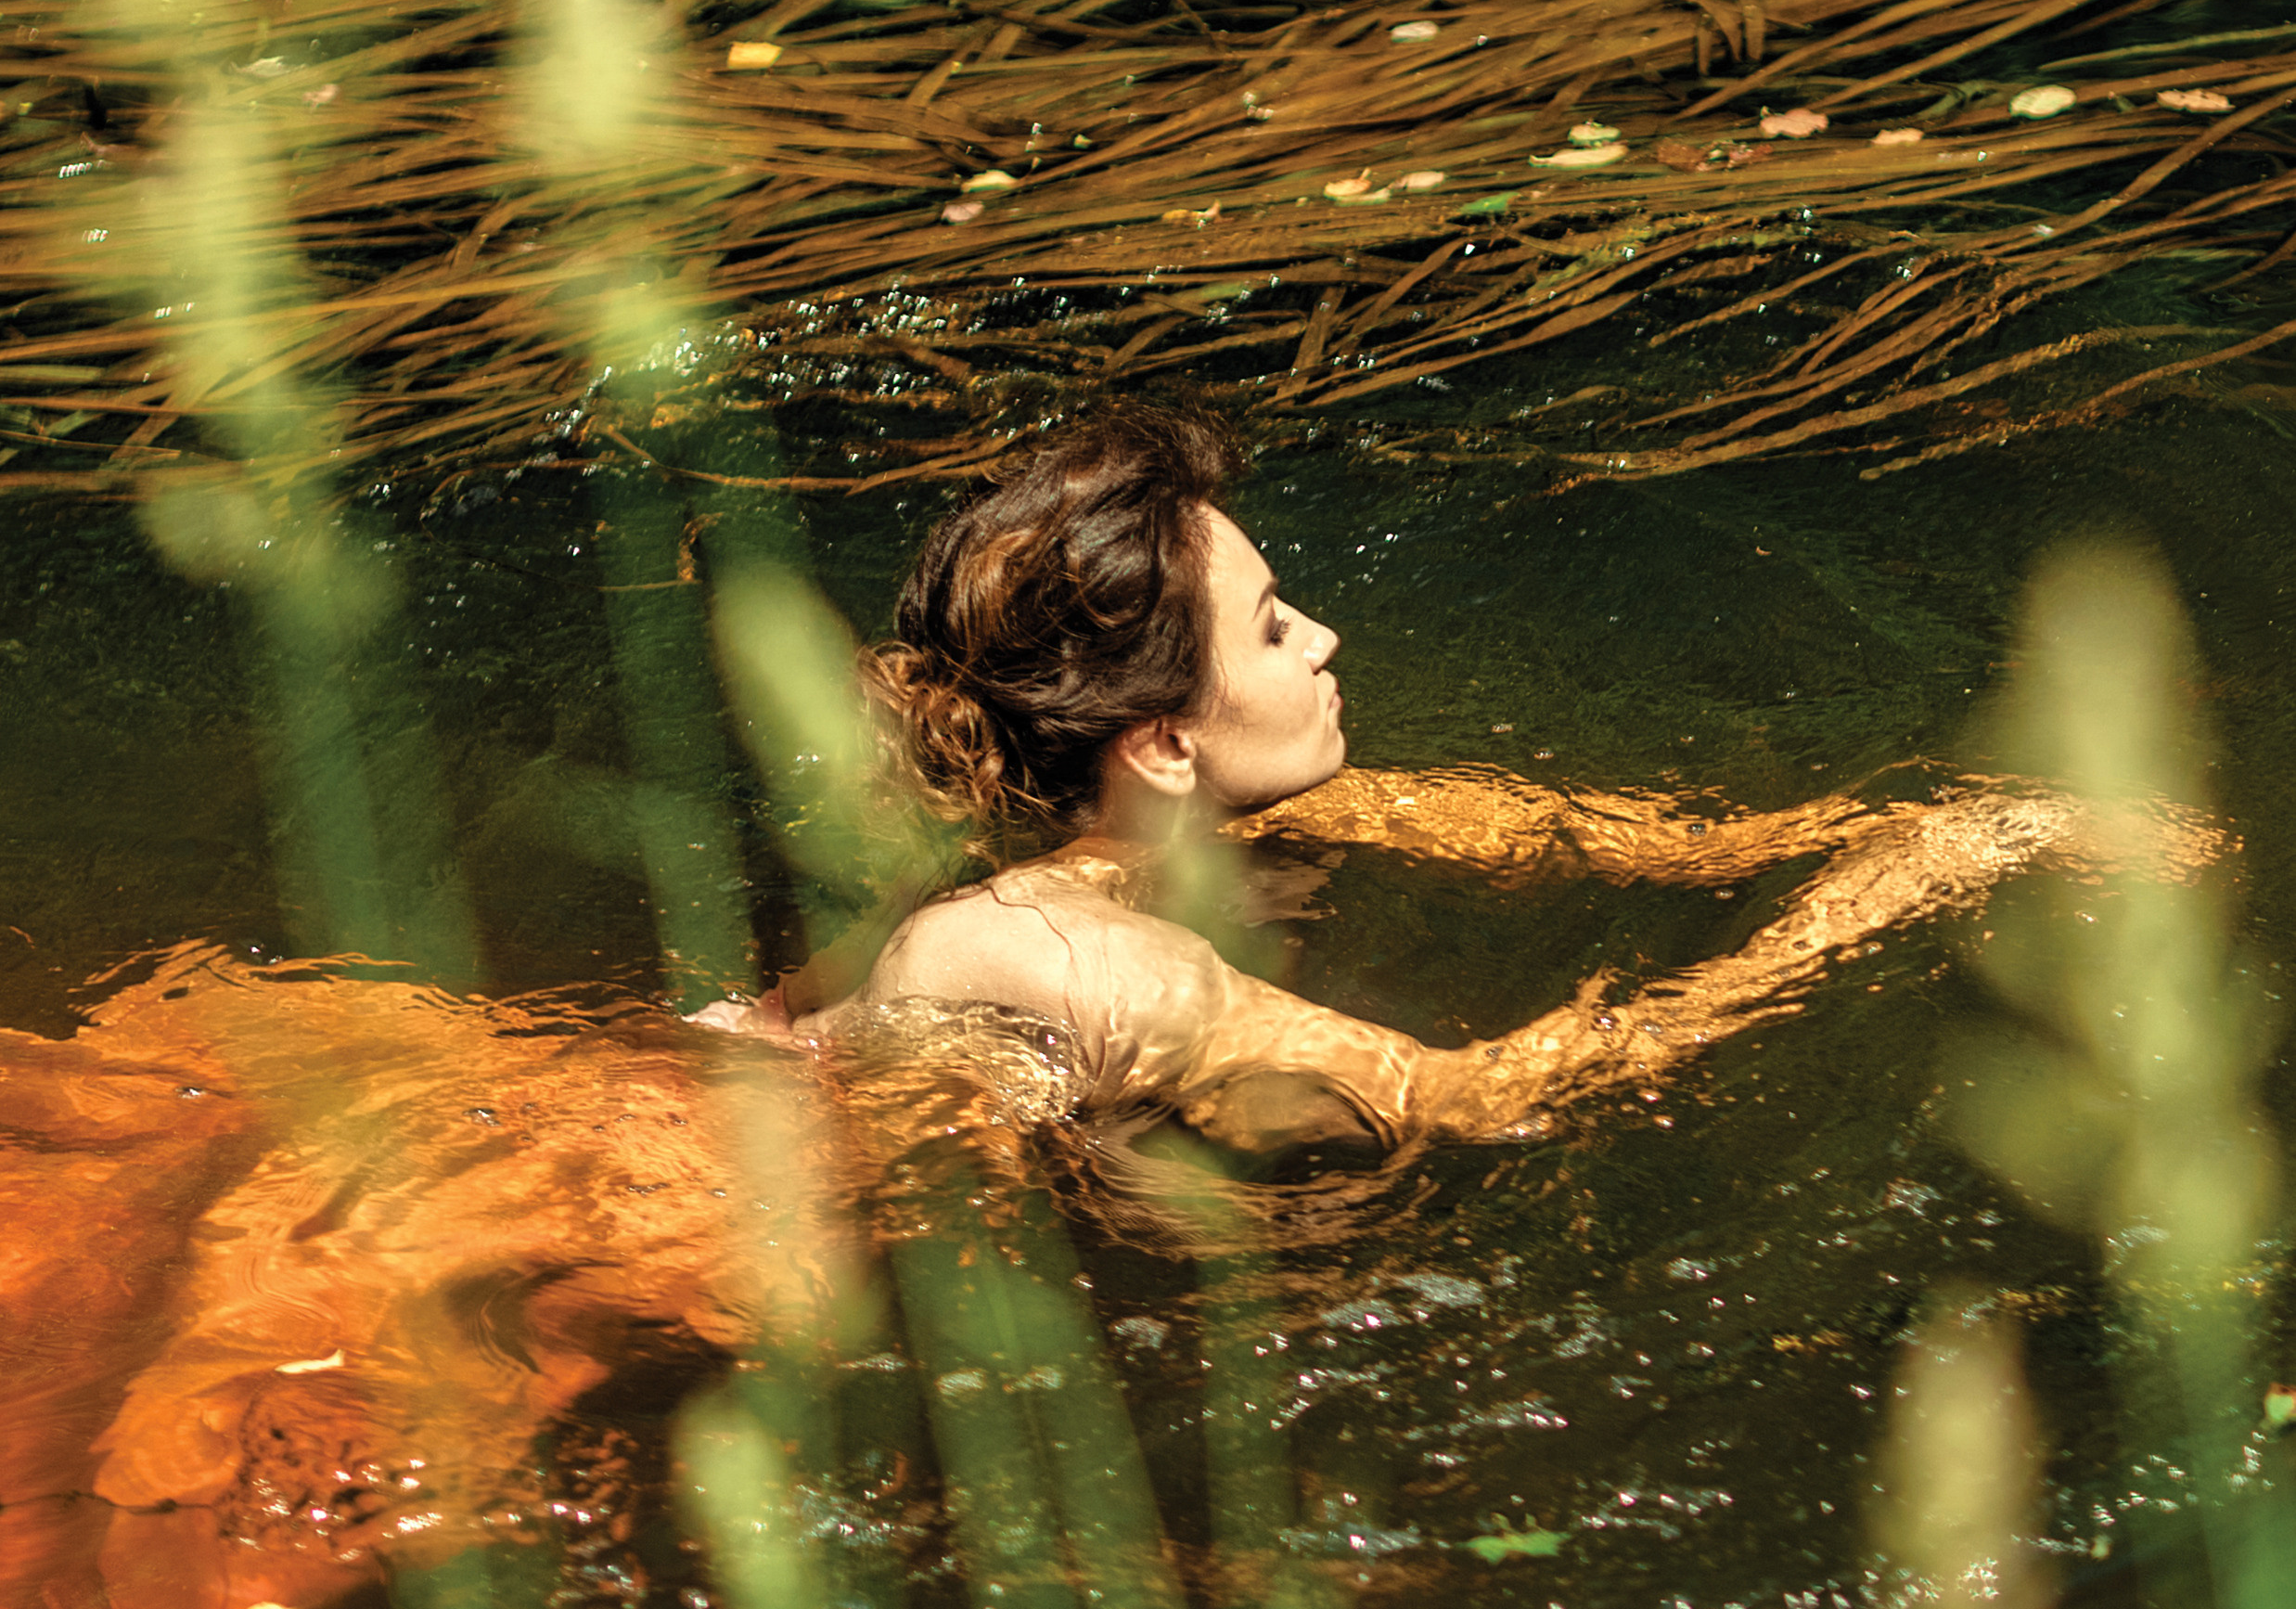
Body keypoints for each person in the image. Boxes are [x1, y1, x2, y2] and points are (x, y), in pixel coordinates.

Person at [695, 405, 2124, 1165]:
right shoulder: (1085, 957)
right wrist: (1876, 903)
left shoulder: (1234, 814)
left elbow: (1632, 842)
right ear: (1167, 745)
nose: (1324, 638)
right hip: (663, 1209)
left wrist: (1935, 824)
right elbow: (1476, 1093)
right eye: (1269, 628)